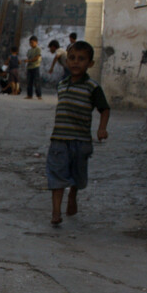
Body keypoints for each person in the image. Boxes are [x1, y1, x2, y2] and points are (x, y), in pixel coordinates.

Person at [45, 40, 110, 225]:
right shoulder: (61, 84)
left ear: (90, 64)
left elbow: (104, 109)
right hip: (59, 140)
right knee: (56, 175)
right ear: (67, 62)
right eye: (72, 58)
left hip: (81, 142)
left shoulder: (92, 87)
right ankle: (56, 212)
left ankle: (73, 194)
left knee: (78, 177)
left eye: (81, 59)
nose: (75, 62)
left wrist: (102, 128)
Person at [22, 35, 42, 100]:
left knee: (37, 82)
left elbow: (36, 58)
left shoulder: (38, 49)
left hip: (35, 67)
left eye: (32, 42)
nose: (31, 44)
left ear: (36, 42)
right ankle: (29, 95)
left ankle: (39, 95)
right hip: (29, 67)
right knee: (29, 82)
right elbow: (28, 58)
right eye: (30, 42)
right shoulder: (29, 50)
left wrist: (29, 60)